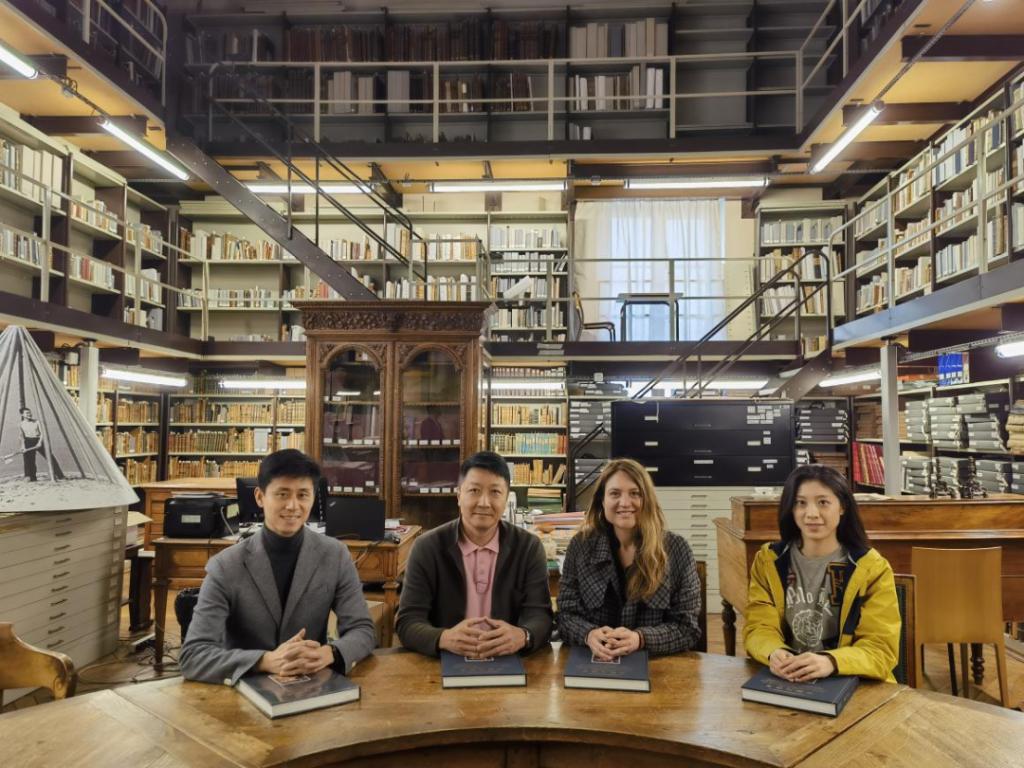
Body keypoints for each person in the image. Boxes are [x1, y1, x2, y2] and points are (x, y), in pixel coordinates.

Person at [179, 449, 376, 685]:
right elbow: (193, 656)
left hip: (312, 687)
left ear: (314, 497)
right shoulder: (225, 566)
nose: (293, 505)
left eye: (303, 495)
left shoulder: (335, 555)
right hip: (244, 690)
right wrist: (265, 661)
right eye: (282, 494)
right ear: (260, 497)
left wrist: (330, 653)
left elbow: (363, 630)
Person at [743, 464, 900, 683]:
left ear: (842, 506)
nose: (811, 514)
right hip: (788, 678)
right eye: (800, 503)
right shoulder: (768, 561)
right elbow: (758, 627)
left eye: (823, 502)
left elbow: (881, 649)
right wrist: (774, 652)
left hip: (853, 681)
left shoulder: (872, 568)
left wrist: (830, 662)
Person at [396, 451, 552, 658]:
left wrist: (523, 635)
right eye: (474, 491)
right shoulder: (427, 547)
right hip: (443, 662)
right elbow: (407, 622)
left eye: (495, 492)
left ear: (507, 499)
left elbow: (541, 617)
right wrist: (443, 638)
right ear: (459, 496)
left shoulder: (528, 547)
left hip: (508, 660)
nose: (484, 502)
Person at [557, 458, 701, 659]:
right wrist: (588, 634)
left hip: (656, 666)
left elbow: (688, 629)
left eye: (635, 493)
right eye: (615, 493)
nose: (625, 503)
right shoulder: (580, 546)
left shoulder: (677, 550)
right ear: (602, 501)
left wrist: (640, 639)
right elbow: (565, 616)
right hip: (596, 663)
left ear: (647, 500)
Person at [19, 407, 64, 482]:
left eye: (30, 412)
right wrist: (23, 446)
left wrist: (39, 442)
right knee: (29, 460)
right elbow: (21, 436)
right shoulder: (21, 424)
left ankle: (59, 475)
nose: (29, 414)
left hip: (38, 440)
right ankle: (31, 477)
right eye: (27, 413)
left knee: (50, 457)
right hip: (28, 441)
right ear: (22, 415)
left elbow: (42, 433)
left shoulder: (36, 422)